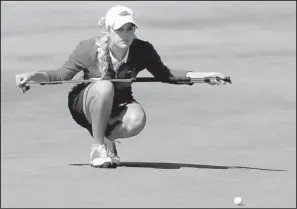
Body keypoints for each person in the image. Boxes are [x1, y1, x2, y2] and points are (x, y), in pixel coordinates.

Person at [15, 5, 229, 169]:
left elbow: (166, 74)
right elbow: (61, 74)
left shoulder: (143, 49)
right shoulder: (88, 48)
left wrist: (203, 76)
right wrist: (33, 75)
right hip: (85, 105)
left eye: (130, 28)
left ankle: (108, 140)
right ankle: (98, 148)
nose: (126, 34)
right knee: (105, 86)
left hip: (118, 105)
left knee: (137, 119)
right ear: (108, 30)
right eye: (120, 30)